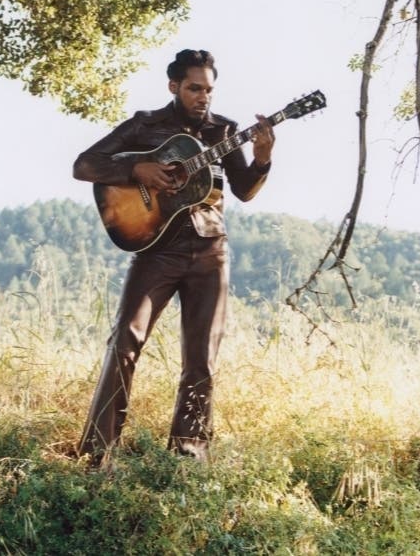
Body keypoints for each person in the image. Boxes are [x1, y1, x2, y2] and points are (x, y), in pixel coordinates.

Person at [72, 49, 275, 466]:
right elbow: (84, 164)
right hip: (156, 248)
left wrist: (263, 158)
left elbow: (244, 190)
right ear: (175, 87)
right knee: (125, 340)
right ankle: (98, 454)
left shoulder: (225, 131)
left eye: (209, 90)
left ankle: (188, 457)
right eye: (195, 88)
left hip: (210, 251)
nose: (203, 97)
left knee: (202, 356)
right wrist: (137, 171)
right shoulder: (145, 125)